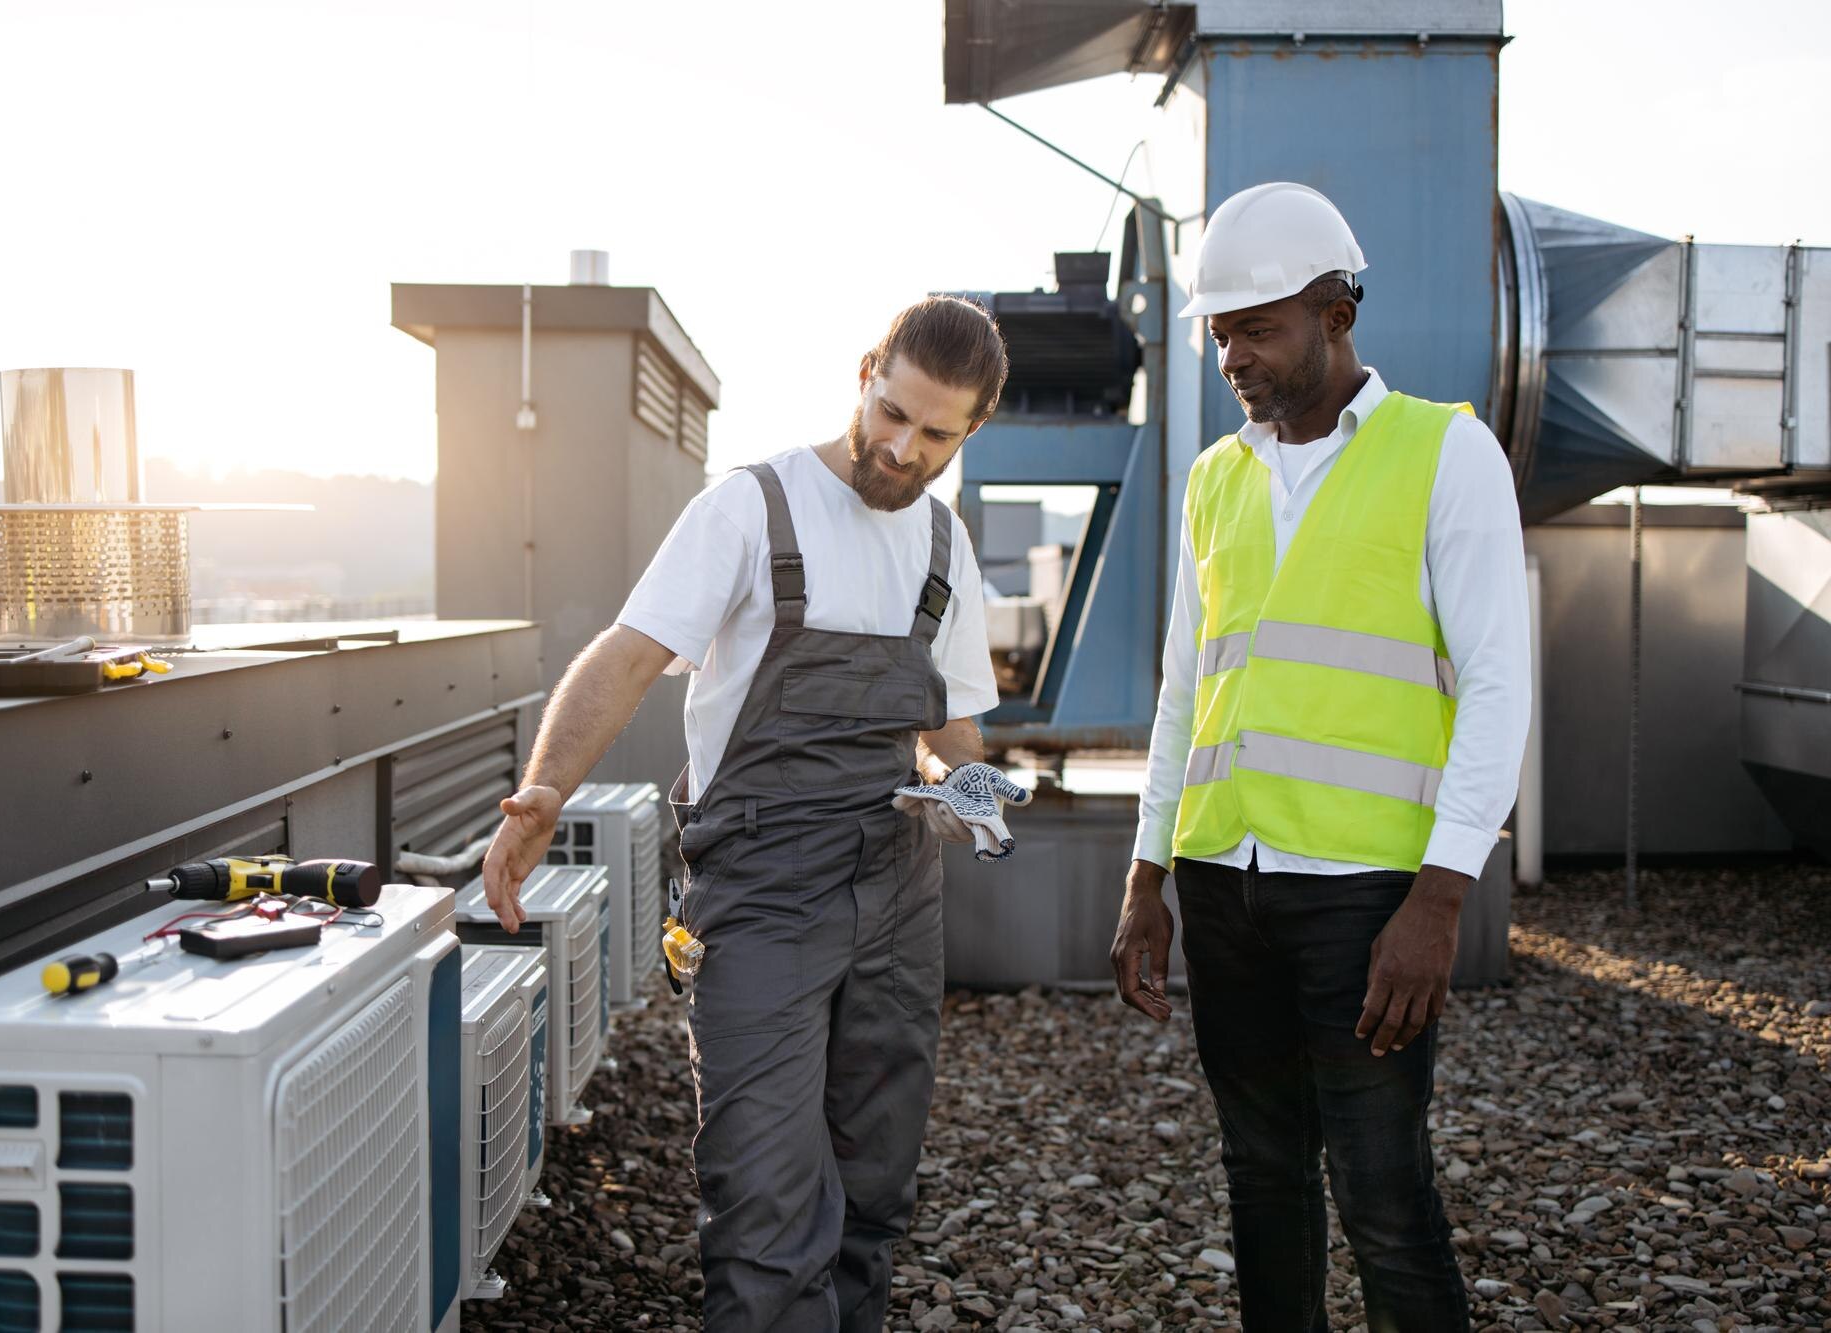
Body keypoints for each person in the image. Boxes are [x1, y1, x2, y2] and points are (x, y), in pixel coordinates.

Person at [481, 295, 1029, 1331]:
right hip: (763, 898)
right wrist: (545, 789)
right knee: (765, 1202)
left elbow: (949, 726)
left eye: (935, 435)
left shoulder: (945, 545)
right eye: (892, 413)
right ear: (865, 373)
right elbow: (627, 655)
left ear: (972, 430)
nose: (901, 449)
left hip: (897, 898)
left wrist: (969, 788)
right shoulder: (752, 508)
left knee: (873, 1187)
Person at [1110, 182, 1530, 1332]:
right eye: (1217, 334)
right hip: (1222, 888)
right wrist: (1146, 875)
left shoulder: (1444, 453)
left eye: (1255, 329)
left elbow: (1496, 685)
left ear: (1335, 313)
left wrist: (1439, 899)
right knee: (1260, 1176)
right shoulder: (1213, 479)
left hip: (1365, 898)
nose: (1230, 358)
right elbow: (1183, 690)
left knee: (1382, 1192)